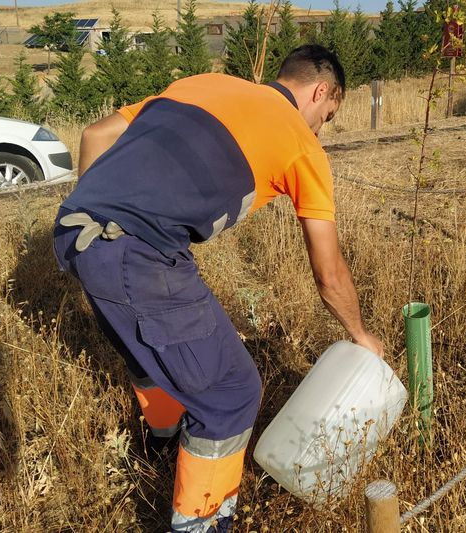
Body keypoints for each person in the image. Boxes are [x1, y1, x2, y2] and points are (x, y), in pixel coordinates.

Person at [51, 45, 384, 532]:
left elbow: (95, 133)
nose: (320, 129)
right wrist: (360, 333)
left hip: (76, 231)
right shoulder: (300, 143)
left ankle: (163, 447)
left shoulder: (205, 84)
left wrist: (105, 217)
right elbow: (329, 273)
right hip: (139, 252)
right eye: (326, 116)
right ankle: (201, 524)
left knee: (147, 353)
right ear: (322, 92)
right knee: (231, 393)